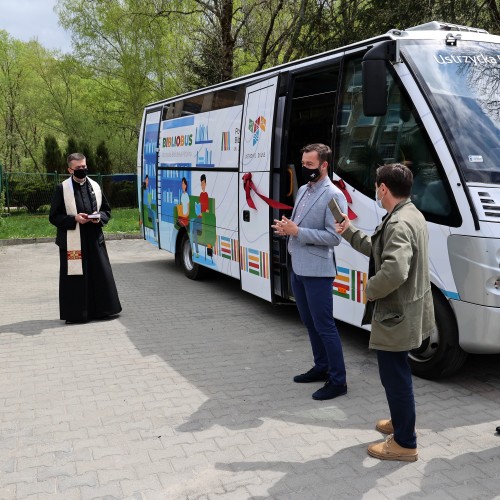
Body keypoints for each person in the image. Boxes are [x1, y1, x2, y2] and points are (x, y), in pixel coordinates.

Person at [335, 163, 435, 462]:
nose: (375, 190)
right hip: (405, 313)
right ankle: (400, 423)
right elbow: (379, 249)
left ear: (383, 188)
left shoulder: (399, 223)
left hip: (396, 316)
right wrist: (349, 232)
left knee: (395, 379)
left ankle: (405, 442)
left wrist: (370, 289)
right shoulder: (408, 213)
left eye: (376, 185)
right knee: (397, 375)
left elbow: (395, 270)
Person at [272, 143, 348, 401]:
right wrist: (287, 229)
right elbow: (299, 225)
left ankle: (338, 381)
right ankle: (321, 366)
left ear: (324, 165)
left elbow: (335, 238)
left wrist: (298, 232)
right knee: (309, 322)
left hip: (318, 270)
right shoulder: (304, 190)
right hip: (299, 266)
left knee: (325, 326)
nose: (304, 169)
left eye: (310, 165)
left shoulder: (334, 195)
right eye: (303, 164)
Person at [49, 153, 122, 324]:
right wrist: (74, 218)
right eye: (78, 168)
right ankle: (77, 314)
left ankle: (103, 310)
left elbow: (106, 210)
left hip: (94, 237)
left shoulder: (95, 185)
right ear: (69, 169)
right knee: (76, 277)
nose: (82, 170)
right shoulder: (63, 188)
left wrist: (99, 217)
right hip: (72, 240)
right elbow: (54, 216)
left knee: (99, 273)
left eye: (84, 166)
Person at [192, 174, 209, 257]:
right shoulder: (201, 195)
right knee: (192, 225)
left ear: (205, 184)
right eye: (201, 183)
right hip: (199, 217)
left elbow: (208, 210)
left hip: (203, 219)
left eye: (203, 183)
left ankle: (197, 251)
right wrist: (197, 210)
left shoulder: (206, 195)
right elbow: (199, 206)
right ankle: (196, 250)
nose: (202, 185)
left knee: (193, 227)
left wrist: (203, 213)